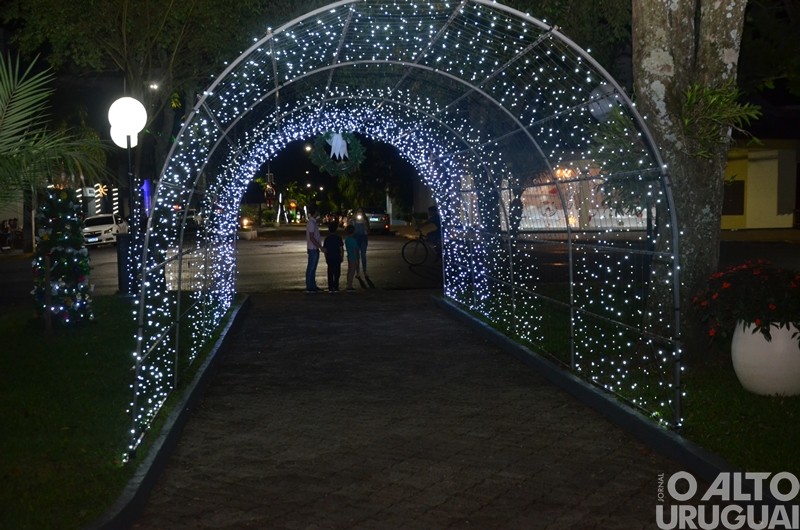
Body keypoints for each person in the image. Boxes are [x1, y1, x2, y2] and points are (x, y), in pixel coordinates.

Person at [305, 206, 323, 292]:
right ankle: (310, 286)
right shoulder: (311, 223)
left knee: (313, 268)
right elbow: (312, 237)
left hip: (313, 248)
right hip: (313, 248)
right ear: (315, 212)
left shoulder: (313, 222)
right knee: (311, 268)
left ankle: (312, 285)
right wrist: (320, 246)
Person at [322, 221, 344, 292]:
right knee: (337, 272)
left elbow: (325, 250)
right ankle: (336, 286)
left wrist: (326, 258)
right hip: (337, 257)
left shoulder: (327, 239)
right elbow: (341, 249)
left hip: (330, 257)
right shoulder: (338, 238)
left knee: (330, 273)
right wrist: (342, 256)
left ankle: (330, 287)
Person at [352, 208, 370, 279]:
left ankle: (365, 272)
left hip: (363, 239)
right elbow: (351, 231)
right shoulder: (353, 221)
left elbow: (367, 231)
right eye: (358, 212)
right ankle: (358, 272)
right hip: (356, 239)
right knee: (357, 257)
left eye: (361, 212)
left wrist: (364, 224)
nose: (359, 213)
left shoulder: (365, 220)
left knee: (363, 255)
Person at [344, 224, 359, 291]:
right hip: (353, 257)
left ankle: (348, 284)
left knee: (349, 271)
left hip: (349, 256)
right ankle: (350, 286)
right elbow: (355, 251)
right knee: (352, 272)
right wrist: (357, 260)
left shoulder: (347, 239)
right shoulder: (353, 240)